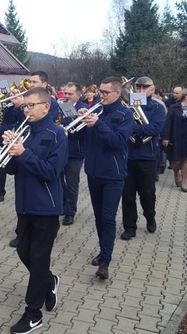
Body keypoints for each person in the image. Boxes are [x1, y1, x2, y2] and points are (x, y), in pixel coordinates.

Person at [3, 87, 67, 334]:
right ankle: (48, 280)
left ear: (46, 106)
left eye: (31, 105)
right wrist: (7, 152)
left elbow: (51, 172)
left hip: (46, 206)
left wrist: (23, 153)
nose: (26, 110)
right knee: (23, 251)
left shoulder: (57, 134)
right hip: (24, 204)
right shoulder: (24, 131)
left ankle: (33, 314)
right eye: (24, 106)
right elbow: (12, 170)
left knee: (39, 258)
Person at [80, 76, 133, 280]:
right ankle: (103, 251)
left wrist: (98, 124)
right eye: (99, 91)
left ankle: (105, 262)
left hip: (113, 175)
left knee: (108, 218)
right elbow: (82, 138)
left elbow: (118, 142)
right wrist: (80, 119)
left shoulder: (125, 115)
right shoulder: (97, 111)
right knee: (98, 217)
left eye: (104, 92)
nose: (100, 95)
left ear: (117, 93)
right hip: (93, 172)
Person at [120, 77, 166, 241]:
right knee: (127, 194)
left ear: (152, 90)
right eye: (137, 87)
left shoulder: (157, 108)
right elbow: (122, 123)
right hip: (128, 156)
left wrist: (135, 130)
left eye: (144, 87)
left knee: (147, 194)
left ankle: (150, 216)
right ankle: (129, 227)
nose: (140, 90)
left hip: (147, 156)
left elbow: (156, 128)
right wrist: (136, 129)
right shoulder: (126, 105)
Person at [60, 83, 87, 226]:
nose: (67, 96)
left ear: (78, 94)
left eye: (70, 94)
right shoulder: (62, 106)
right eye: (65, 93)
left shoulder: (84, 108)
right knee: (59, 179)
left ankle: (70, 212)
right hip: (61, 149)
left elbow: (83, 132)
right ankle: (63, 205)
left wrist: (69, 125)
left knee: (71, 182)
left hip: (75, 151)